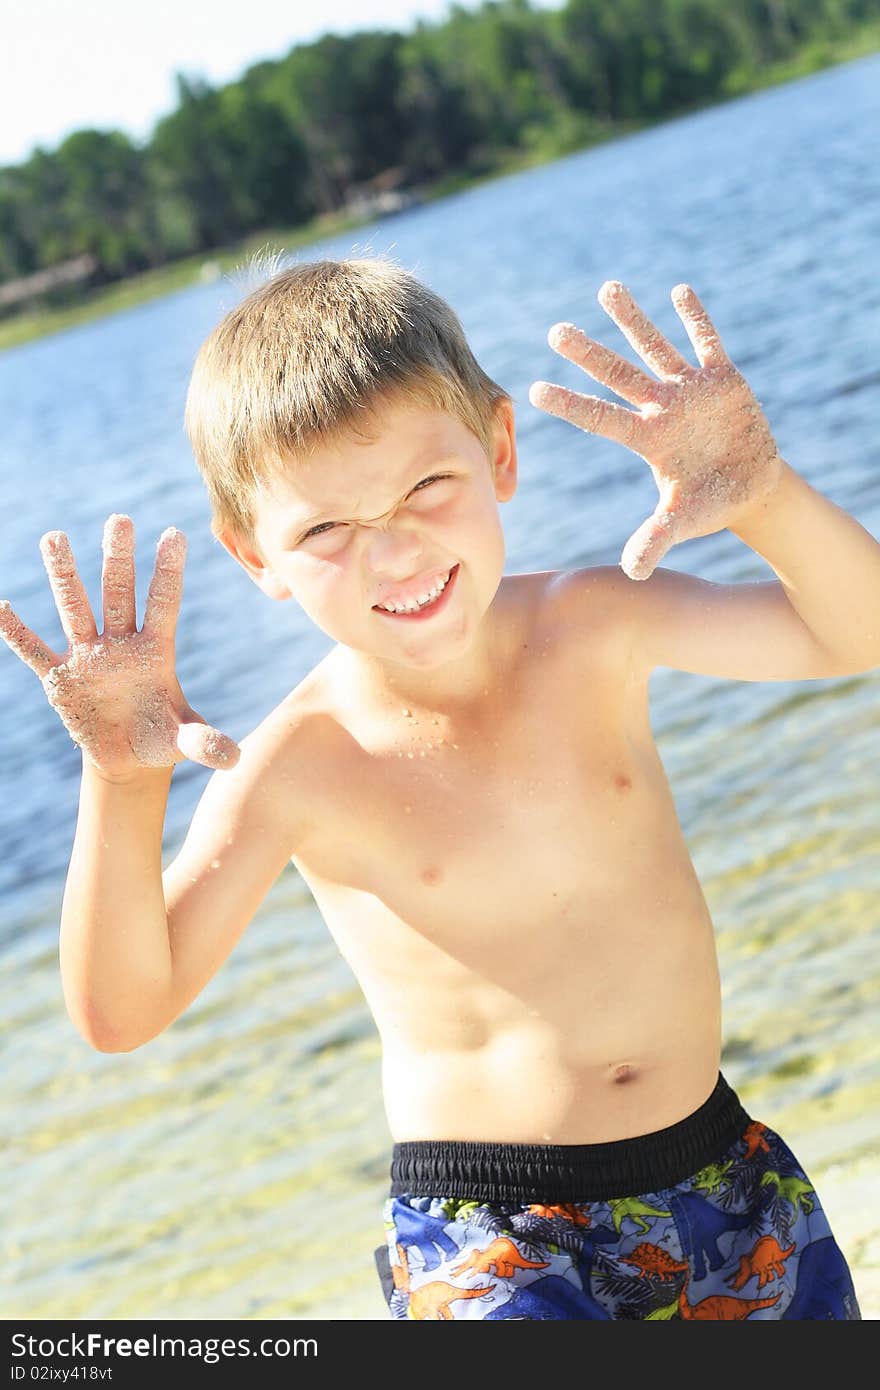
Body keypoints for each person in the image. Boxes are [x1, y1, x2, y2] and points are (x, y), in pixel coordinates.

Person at [1, 255, 872, 1321]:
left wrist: (764, 496)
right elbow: (123, 1009)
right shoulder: (298, 762)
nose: (395, 549)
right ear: (253, 554)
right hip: (491, 1245)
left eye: (427, 487)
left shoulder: (595, 625)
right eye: (325, 530)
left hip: (723, 1176)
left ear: (500, 450)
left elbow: (852, 631)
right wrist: (123, 782)